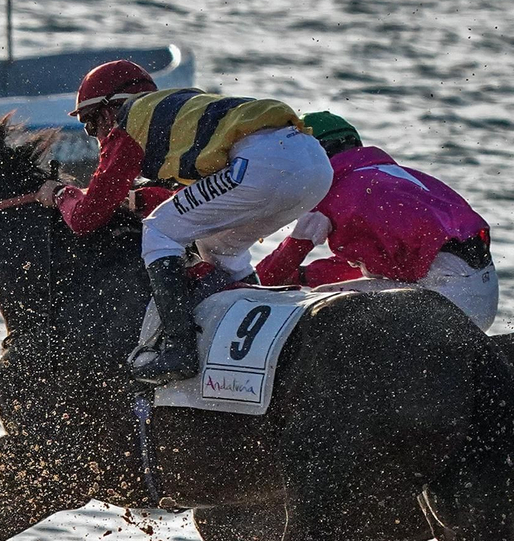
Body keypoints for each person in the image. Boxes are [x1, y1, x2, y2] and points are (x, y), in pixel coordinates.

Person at [42, 61, 333, 384]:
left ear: (109, 110)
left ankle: (179, 349)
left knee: (159, 229)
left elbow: (86, 219)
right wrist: (137, 199)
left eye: (90, 124)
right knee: (218, 247)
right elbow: (197, 200)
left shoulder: (128, 122)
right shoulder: (175, 110)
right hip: (314, 166)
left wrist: (61, 194)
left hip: (263, 165)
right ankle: (256, 327)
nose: (95, 135)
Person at [256, 112, 497, 330]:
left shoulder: (332, 192)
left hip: (447, 304)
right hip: (482, 299)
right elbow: (377, 267)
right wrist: (303, 276)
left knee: (318, 304)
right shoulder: (394, 177)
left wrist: (250, 285)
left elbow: (275, 272)